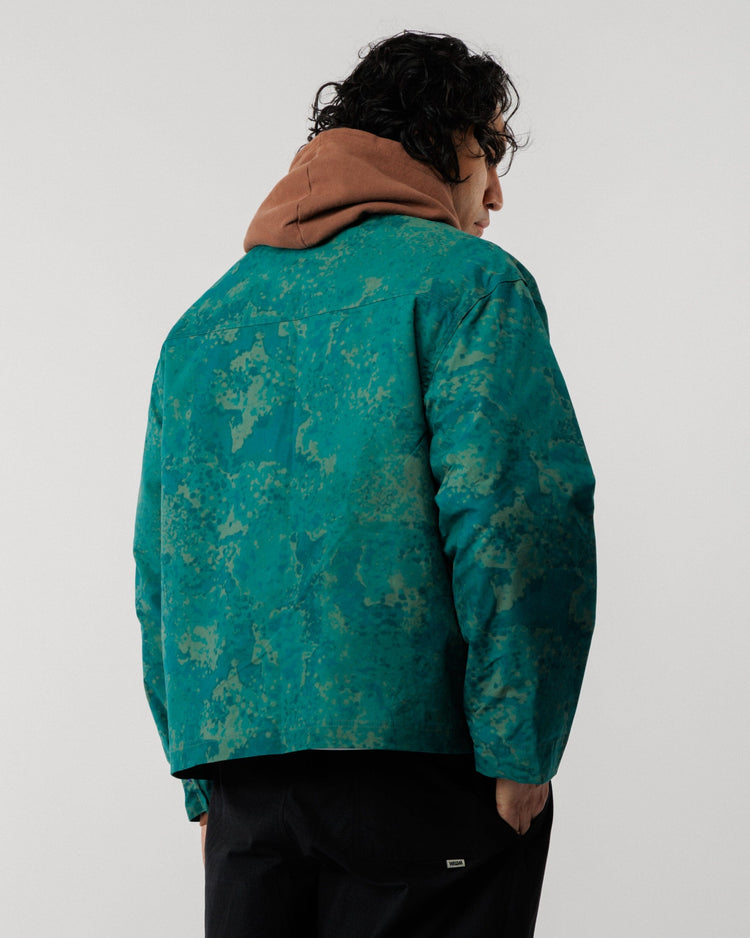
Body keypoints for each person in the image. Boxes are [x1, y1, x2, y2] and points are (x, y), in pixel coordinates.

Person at [134, 30, 596, 937]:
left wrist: (202, 778)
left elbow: (164, 568)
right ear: (443, 140)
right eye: (490, 151)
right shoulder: (469, 286)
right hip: (421, 775)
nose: (496, 193)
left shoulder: (204, 325)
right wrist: (520, 746)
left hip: (247, 793)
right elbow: (516, 517)